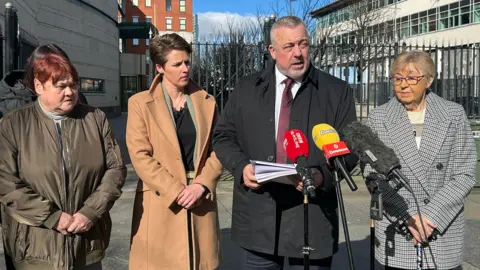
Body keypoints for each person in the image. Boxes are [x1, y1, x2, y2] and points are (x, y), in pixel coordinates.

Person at [212, 16, 357, 270]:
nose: (298, 53)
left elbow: (350, 147)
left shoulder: (336, 91)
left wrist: (321, 176)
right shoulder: (247, 89)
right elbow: (223, 136)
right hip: (259, 214)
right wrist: (241, 167)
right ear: (272, 51)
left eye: (303, 44)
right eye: (289, 46)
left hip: (312, 215)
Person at [0, 44, 127, 270]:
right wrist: (53, 217)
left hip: (86, 244)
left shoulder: (95, 119)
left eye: (74, 85)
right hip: (35, 248)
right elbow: (6, 182)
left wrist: (90, 212)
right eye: (61, 86)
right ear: (39, 86)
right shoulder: (14, 124)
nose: (70, 92)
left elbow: (115, 170)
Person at [362, 50, 476, 270]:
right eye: (398, 78)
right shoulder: (379, 118)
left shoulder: (453, 114)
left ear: (428, 80)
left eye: (412, 78)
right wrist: (409, 217)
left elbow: (465, 173)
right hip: (400, 224)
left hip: (441, 224)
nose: (404, 85)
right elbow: (372, 175)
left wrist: (430, 217)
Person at [126, 33, 223, 270]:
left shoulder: (207, 101)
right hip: (161, 200)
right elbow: (140, 155)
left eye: (187, 62)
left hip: (201, 197)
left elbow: (220, 147)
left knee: (200, 262)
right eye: (177, 64)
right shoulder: (139, 103)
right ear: (159, 67)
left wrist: (202, 184)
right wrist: (176, 190)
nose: (185, 69)